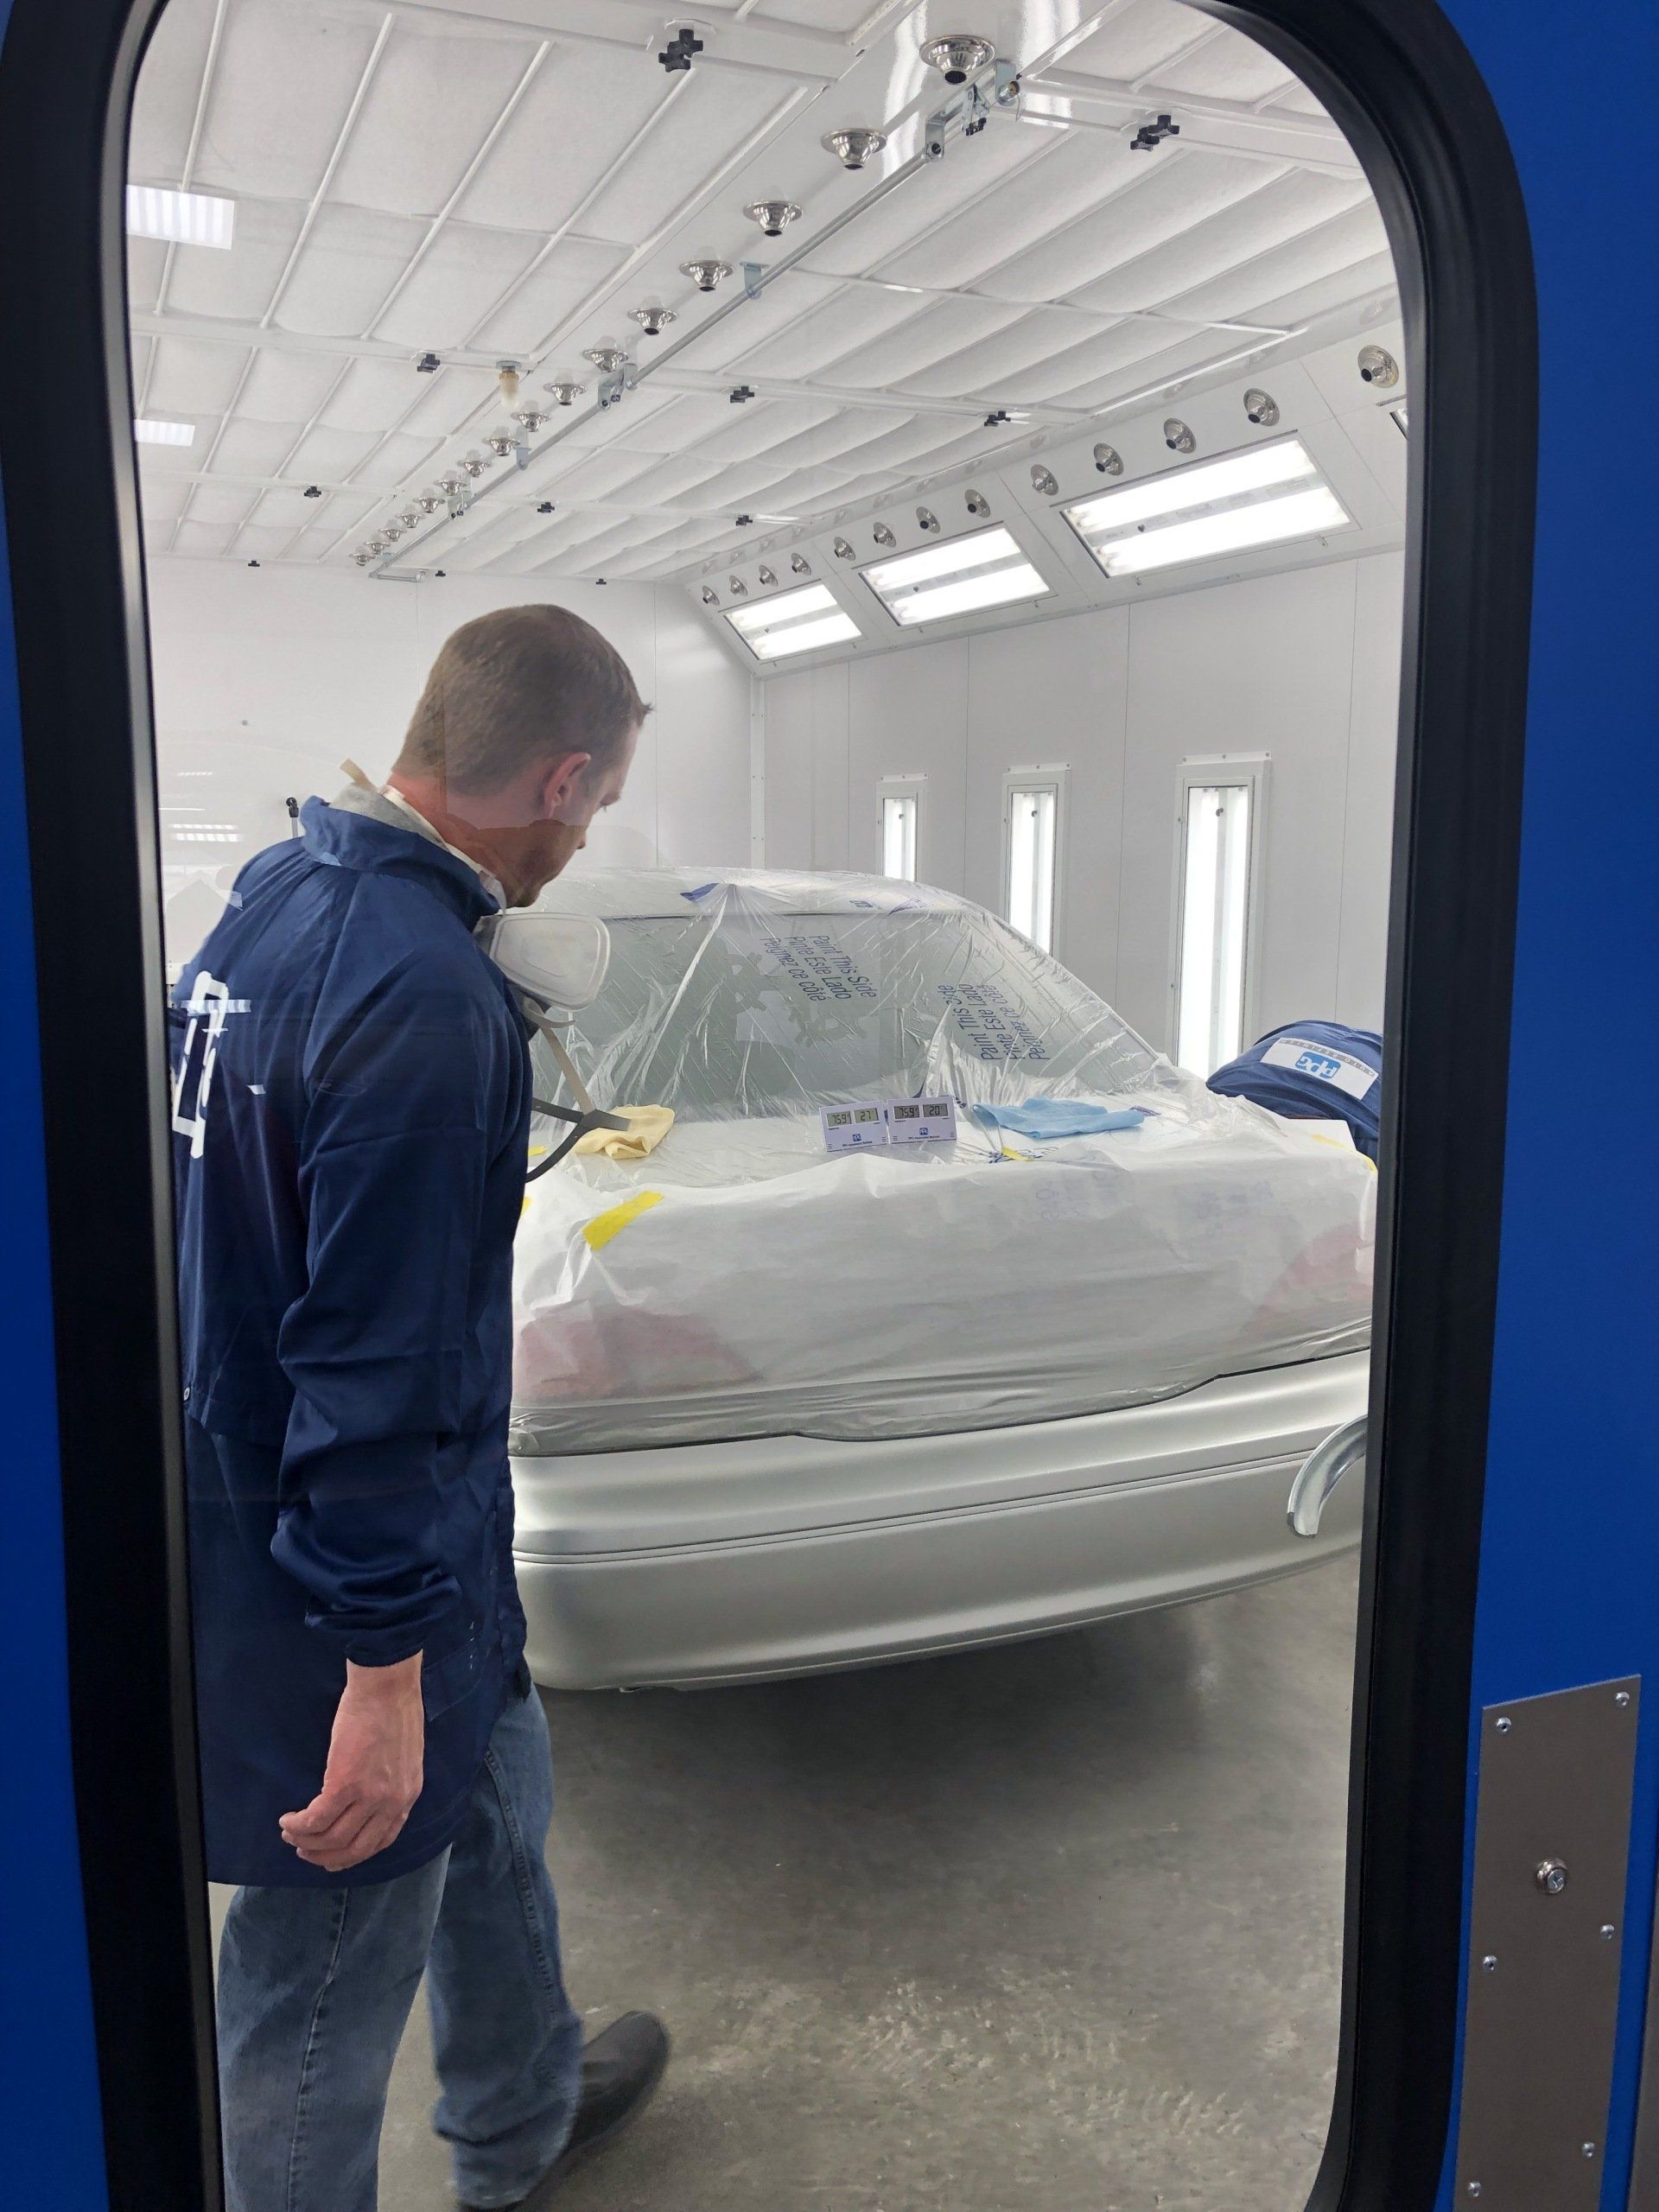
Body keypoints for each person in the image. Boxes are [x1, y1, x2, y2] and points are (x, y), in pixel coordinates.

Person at [168, 605, 667, 2212]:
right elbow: (375, 1369)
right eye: (591, 811)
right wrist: (381, 1664)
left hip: (324, 1512)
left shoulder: (273, 899)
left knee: (499, 1799)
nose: (581, 844)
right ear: (565, 777)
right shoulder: (428, 1003)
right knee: (327, 1951)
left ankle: (519, 2114)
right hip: (342, 1554)